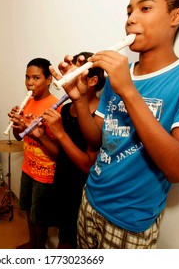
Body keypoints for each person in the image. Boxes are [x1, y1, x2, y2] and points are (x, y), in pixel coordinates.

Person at [50, 0, 179, 249]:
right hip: (90, 199)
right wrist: (80, 100)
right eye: (129, 11)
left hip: (131, 221)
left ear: (177, 15)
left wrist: (128, 91)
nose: (130, 18)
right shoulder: (119, 75)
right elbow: (97, 140)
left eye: (145, 8)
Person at [40, 52, 105, 248]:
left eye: (73, 75)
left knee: (78, 242)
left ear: (92, 80)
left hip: (83, 191)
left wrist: (60, 133)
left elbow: (88, 166)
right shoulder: (66, 109)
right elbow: (60, 153)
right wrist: (40, 135)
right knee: (64, 237)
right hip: (62, 182)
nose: (67, 80)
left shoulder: (101, 114)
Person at [8, 57, 61, 249]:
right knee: (27, 211)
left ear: (48, 80)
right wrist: (17, 123)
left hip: (45, 174)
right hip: (28, 167)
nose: (30, 83)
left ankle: (40, 249)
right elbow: (19, 137)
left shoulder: (56, 105)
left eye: (36, 78)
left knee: (40, 217)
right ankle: (33, 244)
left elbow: (57, 152)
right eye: (27, 77)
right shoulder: (27, 102)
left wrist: (35, 132)